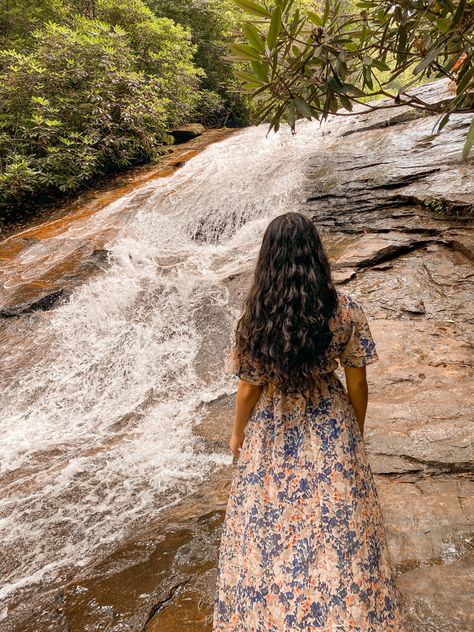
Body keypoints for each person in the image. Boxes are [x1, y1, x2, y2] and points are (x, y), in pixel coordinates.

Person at [212, 212, 405, 631]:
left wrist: (237, 434)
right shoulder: (346, 310)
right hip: (330, 419)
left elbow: (248, 389)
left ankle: (269, 613)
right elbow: (357, 380)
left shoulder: (257, 317)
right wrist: (354, 429)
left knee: (266, 524)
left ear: (268, 259)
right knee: (339, 523)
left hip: (273, 424)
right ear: (316, 255)